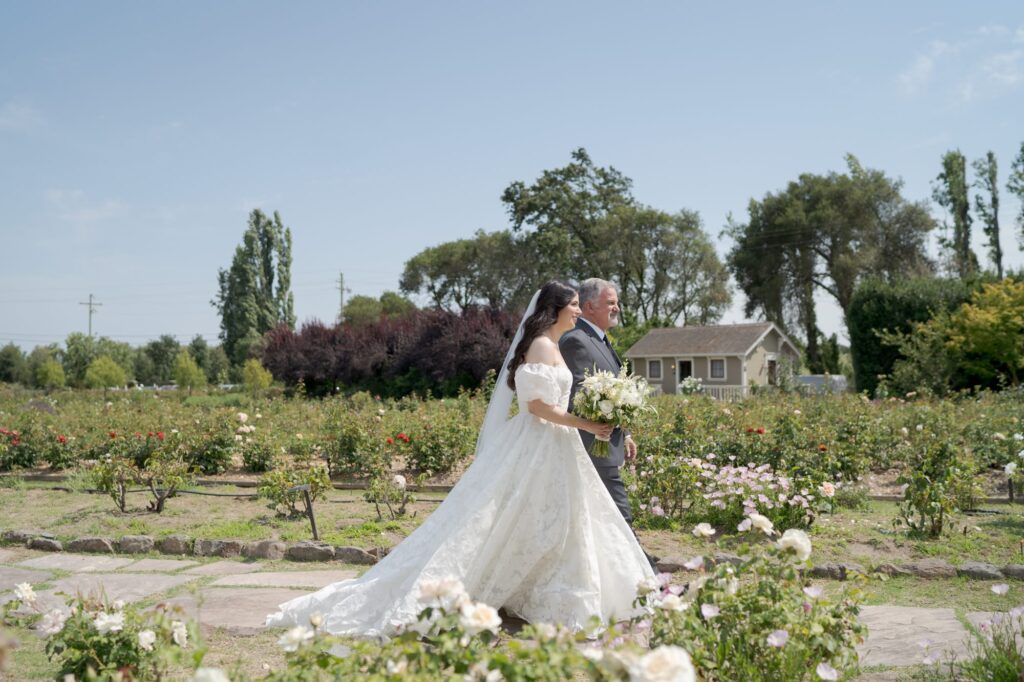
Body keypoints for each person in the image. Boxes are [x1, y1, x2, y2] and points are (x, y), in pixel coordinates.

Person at [266, 281, 655, 637]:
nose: (577, 312)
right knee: (516, 518)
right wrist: (585, 423)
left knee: (565, 520)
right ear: (554, 310)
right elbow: (536, 406)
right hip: (537, 443)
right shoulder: (540, 345)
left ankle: (557, 590)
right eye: (572, 305)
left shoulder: (555, 346)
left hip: (559, 445)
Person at [560, 278, 658, 571]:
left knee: (604, 516)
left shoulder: (599, 338)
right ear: (590, 306)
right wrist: (600, 426)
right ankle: (648, 576)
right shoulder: (575, 340)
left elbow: (608, 392)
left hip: (607, 440)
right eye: (611, 302)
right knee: (619, 512)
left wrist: (624, 433)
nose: (617, 308)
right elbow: (578, 394)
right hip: (592, 444)